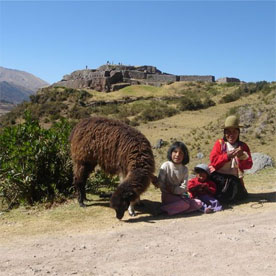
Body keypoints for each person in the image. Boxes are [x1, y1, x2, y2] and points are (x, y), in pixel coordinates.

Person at [209, 115, 253, 203]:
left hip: (233, 178)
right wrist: (226, 156)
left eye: (234, 132)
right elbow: (214, 162)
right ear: (224, 133)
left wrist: (241, 156)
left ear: (238, 132)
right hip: (218, 176)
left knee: (238, 195)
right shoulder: (219, 144)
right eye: (228, 132)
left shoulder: (243, 146)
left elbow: (249, 165)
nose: (231, 135)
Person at [158, 141, 203, 215]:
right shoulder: (166, 166)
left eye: (181, 153)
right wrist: (168, 190)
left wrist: (174, 190)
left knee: (198, 202)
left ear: (184, 156)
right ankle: (163, 209)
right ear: (171, 153)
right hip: (167, 195)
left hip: (180, 195)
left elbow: (184, 187)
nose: (177, 155)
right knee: (186, 204)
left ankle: (175, 209)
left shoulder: (184, 169)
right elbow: (161, 183)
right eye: (175, 152)